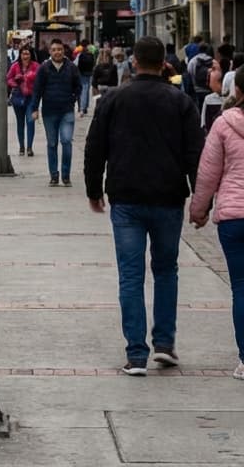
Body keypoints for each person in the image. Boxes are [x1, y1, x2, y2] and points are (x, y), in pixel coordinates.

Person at [84, 36, 204, 376]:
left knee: (131, 276)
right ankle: (164, 344)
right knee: (166, 271)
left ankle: (136, 355)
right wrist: (200, 199)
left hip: (126, 199)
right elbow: (195, 154)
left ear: (134, 62)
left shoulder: (113, 99)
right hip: (168, 197)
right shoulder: (181, 102)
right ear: (164, 63)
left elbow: (95, 147)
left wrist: (94, 190)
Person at [189, 65, 244, 381]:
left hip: (234, 218)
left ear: (237, 89)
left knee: (241, 287)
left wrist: (198, 210)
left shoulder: (224, 123)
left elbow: (208, 173)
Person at [30, 38, 81, 186]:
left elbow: (78, 86)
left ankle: (66, 175)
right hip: (49, 112)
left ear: (63, 51)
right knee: (52, 143)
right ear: (50, 51)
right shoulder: (44, 68)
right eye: (54, 50)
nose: (57, 52)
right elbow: (37, 89)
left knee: (66, 141)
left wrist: (74, 99)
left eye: (59, 49)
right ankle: (54, 175)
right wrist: (34, 108)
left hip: (67, 111)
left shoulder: (71, 67)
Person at [6, 45, 39, 156]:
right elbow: (8, 78)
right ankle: (21, 147)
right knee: (20, 123)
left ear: (31, 55)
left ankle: (29, 147)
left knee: (30, 121)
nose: (25, 56)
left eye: (27, 53)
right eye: (23, 53)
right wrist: (15, 83)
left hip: (31, 98)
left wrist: (29, 77)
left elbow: (40, 79)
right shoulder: (15, 66)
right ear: (20, 55)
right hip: (18, 97)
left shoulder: (36, 66)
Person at [76, 43, 96, 117]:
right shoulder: (91, 55)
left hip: (81, 73)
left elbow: (76, 64)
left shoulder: (80, 55)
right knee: (86, 90)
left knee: (83, 90)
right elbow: (93, 64)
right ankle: (85, 107)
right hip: (89, 73)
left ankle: (82, 108)